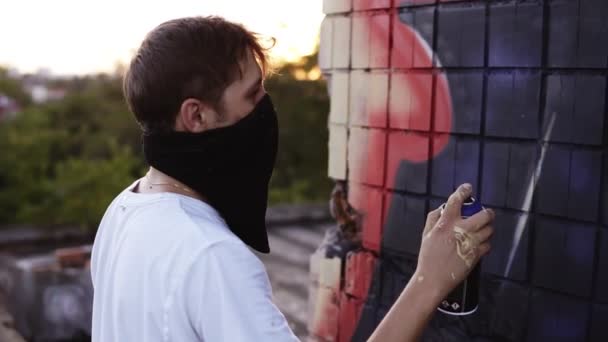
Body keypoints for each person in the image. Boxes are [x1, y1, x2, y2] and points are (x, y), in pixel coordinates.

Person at [90, 16, 495, 342]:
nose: (266, 107)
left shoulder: (124, 211)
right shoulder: (211, 256)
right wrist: (429, 280)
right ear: (196, 116)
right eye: (252, 95)